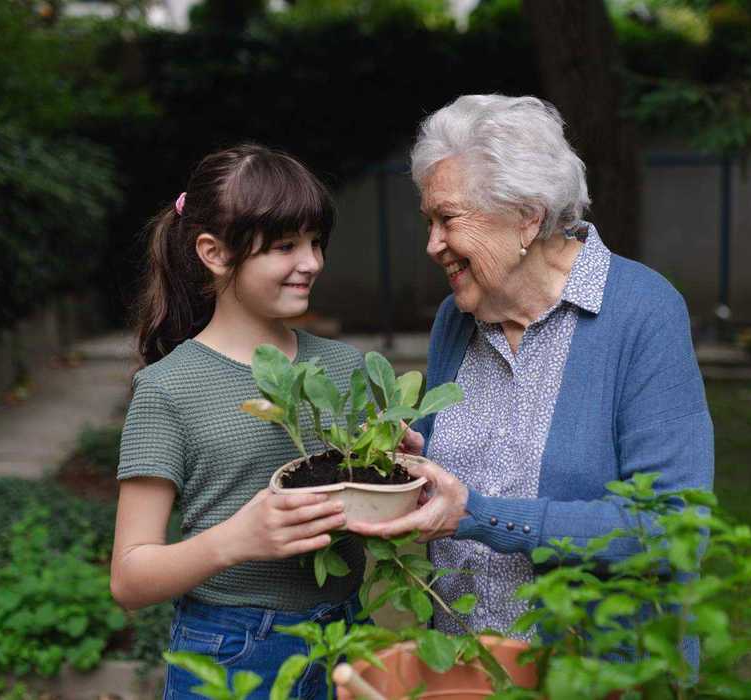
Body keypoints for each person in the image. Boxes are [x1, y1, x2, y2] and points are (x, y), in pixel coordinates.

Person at [346, 95, 715, 666]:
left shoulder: (641, 312)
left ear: (527, 217)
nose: (432, 244)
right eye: (429, 222)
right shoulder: (458, 317)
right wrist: (408, 464)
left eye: (448, 219)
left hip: (593, 671)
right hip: (465, 663)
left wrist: (481, 517)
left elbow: (674, 530)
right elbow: (454, 479)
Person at [110, 144, 364, 700]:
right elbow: (129, 579)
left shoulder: (349, 370)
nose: (312, 262)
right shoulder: (168, 389)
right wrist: (237, 540)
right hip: (234, 648)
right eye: (284, 246)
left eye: (316, 242)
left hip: (350, 640)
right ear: (214, 253)